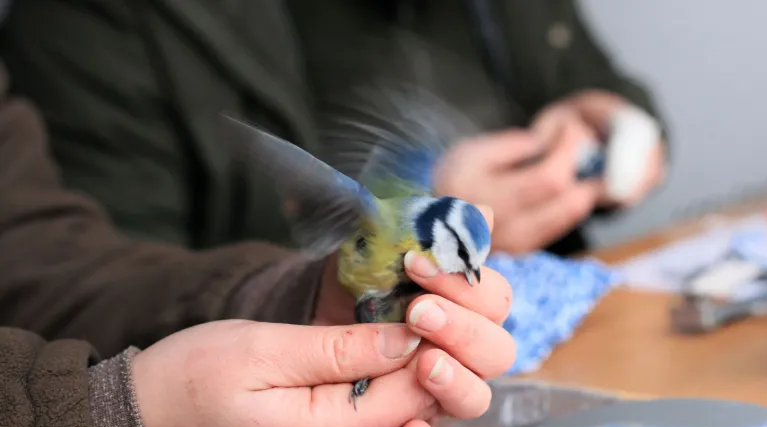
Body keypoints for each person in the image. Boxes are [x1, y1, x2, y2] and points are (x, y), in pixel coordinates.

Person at [0, 65, 516, 427]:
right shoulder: (384, 218)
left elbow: (32, 254)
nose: (468, 273)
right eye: (462, 258)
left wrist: (291, 301)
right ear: (437, 231)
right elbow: (317, 179)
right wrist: (109, 416)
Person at [0, 0, 668, 259]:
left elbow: (591, 79)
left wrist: (612, 122)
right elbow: (100, 318)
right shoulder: (89, 24)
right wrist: (404, 225)